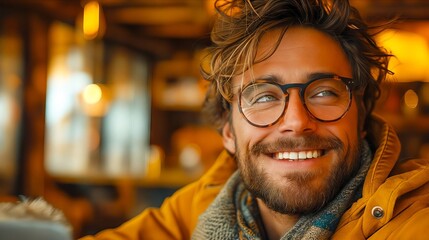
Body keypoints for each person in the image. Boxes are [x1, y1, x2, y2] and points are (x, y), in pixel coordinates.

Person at [81, 0, 429, 239]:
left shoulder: (411, 219)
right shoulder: (200, 207)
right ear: (228, 132)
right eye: (263, 96)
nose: (296, 121)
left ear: (362, 114)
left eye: (324, 92)